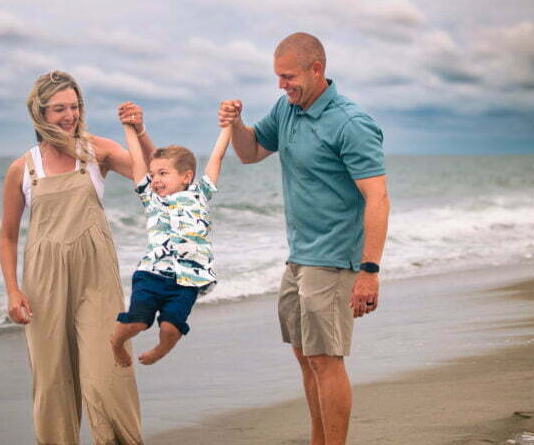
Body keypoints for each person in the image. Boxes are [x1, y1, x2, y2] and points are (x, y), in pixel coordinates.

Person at [218, 32, 390, 445]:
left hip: (334, 259)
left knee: (325, 360)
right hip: (298, 256)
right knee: (304, 355)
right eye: (278, 77)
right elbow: (250, 152)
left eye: (288, 76)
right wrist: (236, 125)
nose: (281, 85)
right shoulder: (287, 109)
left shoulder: (351, 123)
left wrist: (369, 271)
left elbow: (378, 197)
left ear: (317, 70)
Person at [0, 70, 152, 445]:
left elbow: (148, 174)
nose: (70, 115)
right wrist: (13, 291)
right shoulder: (23, 168)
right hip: (43, 280)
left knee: (107, 376)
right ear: (40, 114)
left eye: (75, 106)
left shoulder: (95, 150)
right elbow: (7, 234)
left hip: (95, 276)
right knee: (52, 382)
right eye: (59, 109)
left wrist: (139, 132)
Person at [110, 111, 231, 367]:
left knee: (171, 328)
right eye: (153, 175)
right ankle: (116, 342)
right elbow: (137, 164)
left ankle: (162, 349)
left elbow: (217, 158)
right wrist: (129, 128)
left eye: (163, 173)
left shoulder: (200, 194)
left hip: (188, 279)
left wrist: (228, 126)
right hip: (151, 274)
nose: (155, 180)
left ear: (186, 176)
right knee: (137, 322)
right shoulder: (151, 199)